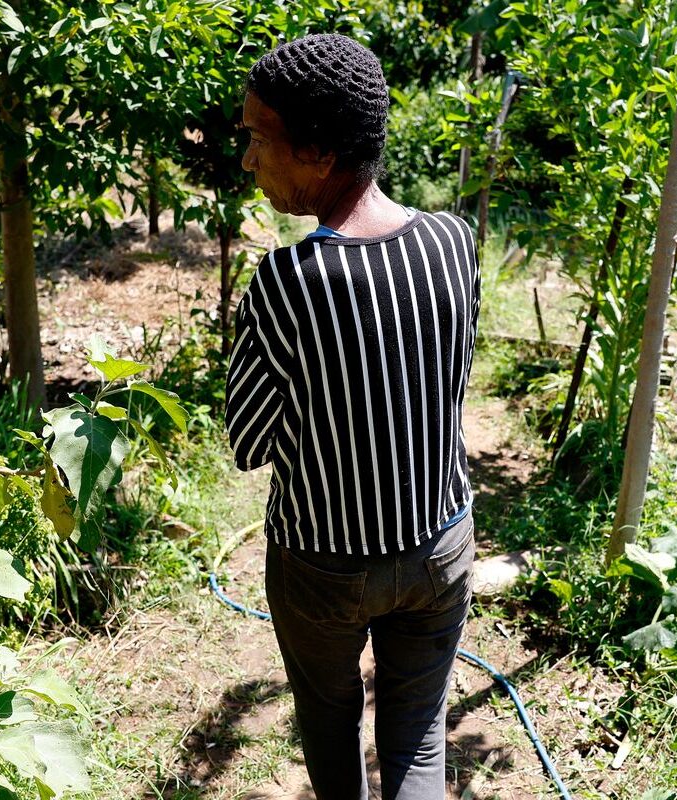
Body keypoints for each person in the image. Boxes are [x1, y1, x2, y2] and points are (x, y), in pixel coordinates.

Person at [224, 33, 480, 800]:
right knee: (416, 741)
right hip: (439, 545)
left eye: (257, 139)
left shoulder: (287, 281)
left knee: (332, 729)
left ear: (320, 153)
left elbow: (248, 442)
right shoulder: (452, 242)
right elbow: (447, 379)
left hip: (322, 569)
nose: (247, 159)